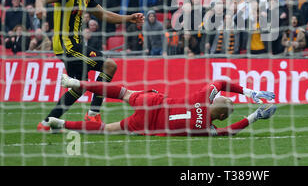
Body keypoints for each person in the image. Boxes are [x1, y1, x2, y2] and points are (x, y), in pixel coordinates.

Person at [34, 0, 144, 131]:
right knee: (109, 65)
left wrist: (129, 18)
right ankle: (92, 114)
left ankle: (47, 122)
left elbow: (103, 14)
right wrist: (39, 7)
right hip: (68, 46)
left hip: (74, 45)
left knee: (79, 86)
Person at [48, 75, 277, 136]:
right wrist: (255, 116)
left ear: (216, 101)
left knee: (123, 92)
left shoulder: (203, 97)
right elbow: (230, 131)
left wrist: (249, 92)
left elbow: (222, 81)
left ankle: (79, 84)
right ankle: (61, 123)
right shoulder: (207, 129)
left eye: (224, 99)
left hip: (155, 102)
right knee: (108, 128)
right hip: (151, 123)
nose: (223, 97)